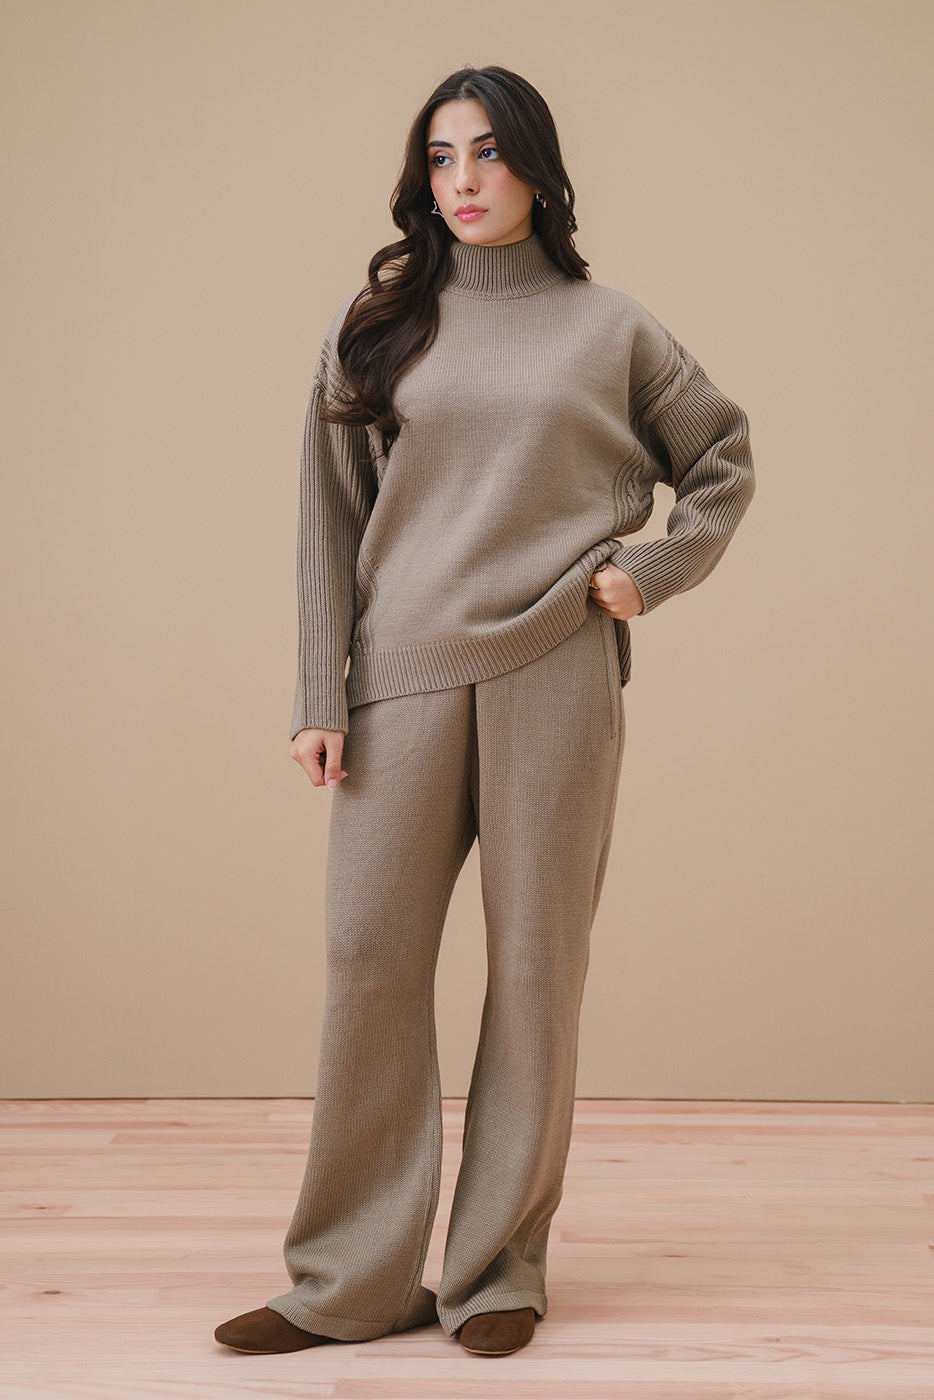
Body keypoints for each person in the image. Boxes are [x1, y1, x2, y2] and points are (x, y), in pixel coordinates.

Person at [214, 63, 755, 1360]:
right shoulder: (377, 327)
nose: (463, 180)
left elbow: (721, 461)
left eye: (489, 153)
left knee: (535, 970)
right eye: (442, 157)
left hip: (555, 670)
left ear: (537, 169)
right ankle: (349, 1282)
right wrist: (317, 691)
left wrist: (651, 571)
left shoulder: (611, 330)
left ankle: (497, 1270)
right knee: (369, 958)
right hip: (399, 675)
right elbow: (328, 514)